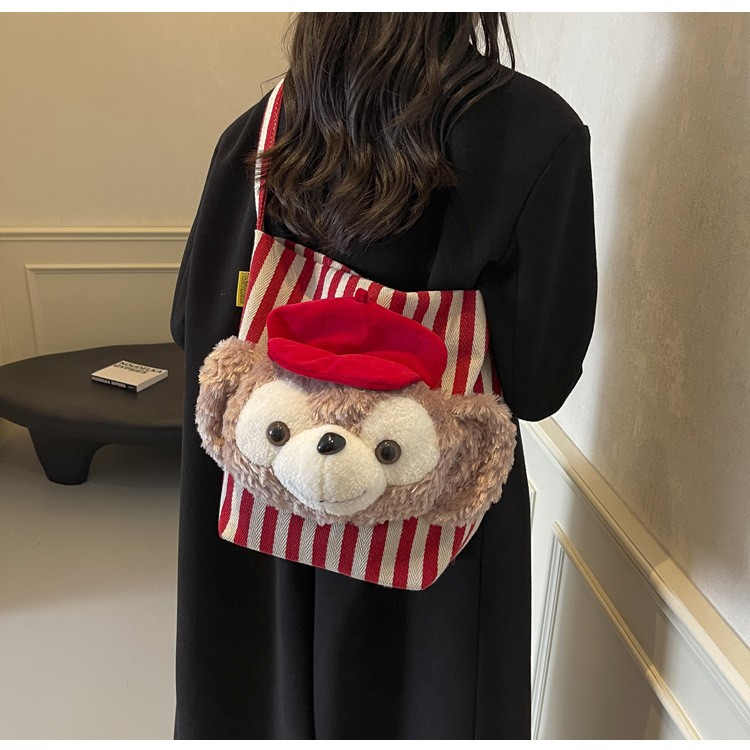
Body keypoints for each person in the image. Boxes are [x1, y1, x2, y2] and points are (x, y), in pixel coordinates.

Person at [170, 12, 597, 740]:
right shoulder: (535, 132)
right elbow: (538, 383)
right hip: (430, 555)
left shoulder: (265, 128)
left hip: (262, 529)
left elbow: (193, 325)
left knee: (256, 707)